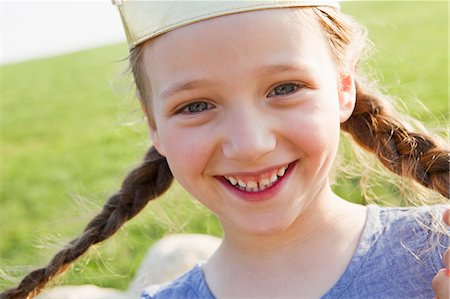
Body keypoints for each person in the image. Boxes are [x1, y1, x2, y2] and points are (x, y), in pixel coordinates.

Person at [1, 1, 449, 298]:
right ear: (153, 125)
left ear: (343, 89)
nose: (250, 145)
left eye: (285, 88)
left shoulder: (438, 258)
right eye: (196, 105)